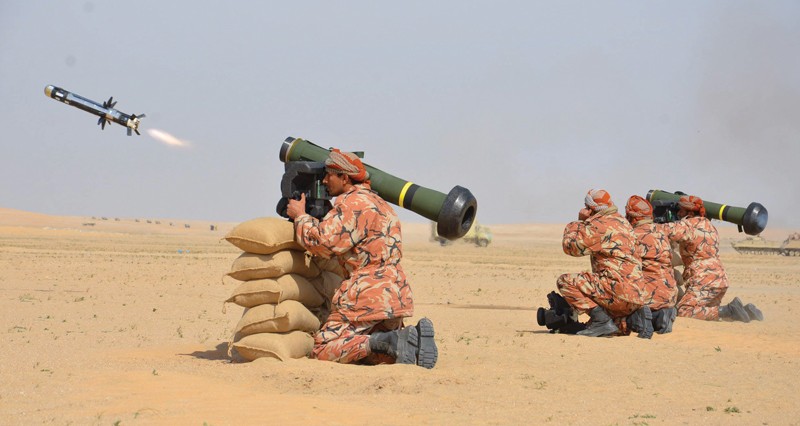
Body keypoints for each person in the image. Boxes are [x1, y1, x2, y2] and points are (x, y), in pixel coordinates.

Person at [286, 148, 437, 368]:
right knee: (375, 353)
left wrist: (300, 216)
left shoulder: (352, 204)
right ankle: (410, 342)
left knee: (323, 348)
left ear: (344, 177)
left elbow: (322, 243)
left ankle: (390, 340)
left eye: (330, 174)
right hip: (395, 292)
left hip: (367, 293)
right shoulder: (381, 203)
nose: (325, 180)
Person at [556, 189, 653, 338]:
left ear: (591, 208)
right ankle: (633, 317)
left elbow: (571, 247)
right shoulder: (623, 222)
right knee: (614, 326)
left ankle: (600, 321)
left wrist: (578, 223)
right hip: (638, 294)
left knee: (566, 281)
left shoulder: (599, 225)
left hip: (616, 289)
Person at [664, 195, 763, 322]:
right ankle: (747, 311)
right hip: (719, 278)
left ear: (689, 212)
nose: (678, 213)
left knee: (684, 310)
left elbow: (663, 232)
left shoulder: (687, 225)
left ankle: (729, 310)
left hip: (704, 279)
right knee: (708, 313)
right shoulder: (709, 225)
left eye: (681, 210)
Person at [625, 195, 679, 334]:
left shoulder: (633, 236)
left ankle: (649, 318)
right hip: (669, 296)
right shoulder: (662, 233)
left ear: (633, 217)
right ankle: (661, 315)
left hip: (648, 297)